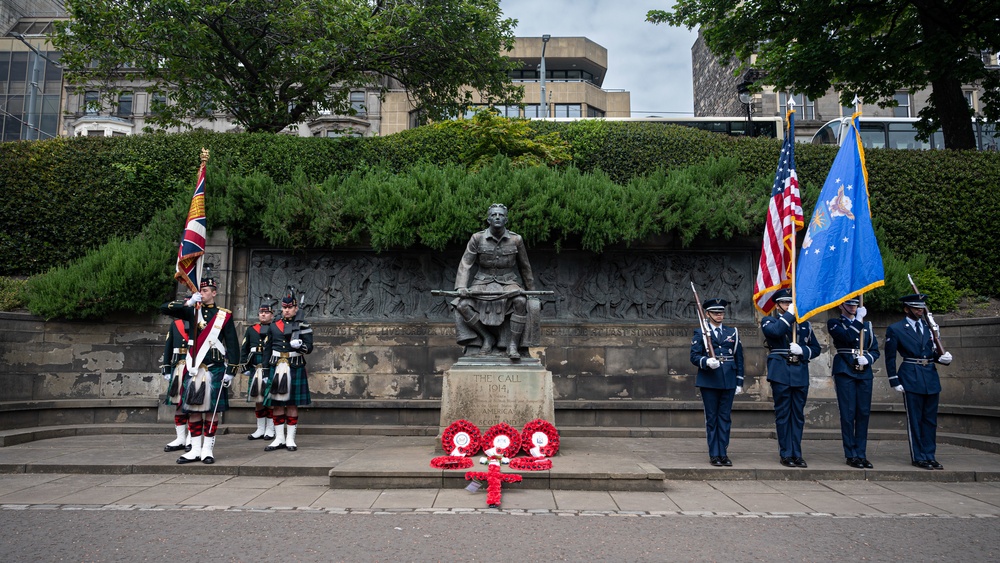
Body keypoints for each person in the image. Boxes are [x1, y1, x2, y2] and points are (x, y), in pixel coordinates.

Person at [160, 277, 239, 464]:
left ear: (214, 293)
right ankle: (194, 449)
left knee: (212, 412)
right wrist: (188, 302)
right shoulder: (191, 311)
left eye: (205, 291)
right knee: (193, 410)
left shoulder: (224, 315)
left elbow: (233, 344)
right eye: (201, 291)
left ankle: (207, 450)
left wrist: (232, 370)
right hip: (194, 367)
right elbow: (165, 308)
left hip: (216, 367)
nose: (202, 294)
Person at [452, 203, 537, 359]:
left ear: (506, 219)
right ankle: (486, 337)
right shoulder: (477, 238)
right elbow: (465, 263)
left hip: (508, 281)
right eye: (493, 215)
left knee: (520, 301)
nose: (497, 217)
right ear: (488, 219)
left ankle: (512, 345)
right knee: (462, 305)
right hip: (482, 282)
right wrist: (461, 287)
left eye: (501, 215)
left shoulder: (516, 239)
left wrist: (531, 291)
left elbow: (525, 267)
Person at [884, 293, 953, 470]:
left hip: (930, 377)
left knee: (930, 420)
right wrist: (894, 380)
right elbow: (890, 357)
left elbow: (931, 352)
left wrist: (942, 358)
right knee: (915, 419)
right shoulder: (896, 329)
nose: (919, 310)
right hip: (910, 376)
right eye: (915, 308)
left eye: (921, 307)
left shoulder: (930, 327)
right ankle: (918, 456)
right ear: (906, 309)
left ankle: (930, 455)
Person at [761, 288, 820, 468]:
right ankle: (786, 453)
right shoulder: (769, 320)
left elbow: (816, 348)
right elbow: (776, 332)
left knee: (798, 416)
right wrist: (790, 315)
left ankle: (797, 453)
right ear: (777, 304)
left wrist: (803, 351)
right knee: (783, 414)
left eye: (790, 302)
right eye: (785, 302)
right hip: (780, 372)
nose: (788, 305)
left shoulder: (804, 324)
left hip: (800, 372)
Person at [689, 298, 744, 466]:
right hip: (709, 380)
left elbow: (739, 357)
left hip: (728, 379)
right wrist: (706, 362)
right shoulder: (701, 333)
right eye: (715, 313)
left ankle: (723, 452)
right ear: (707, 314)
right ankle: (714, 453)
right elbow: (694, 356)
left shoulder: (732, 332)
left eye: (721, 313)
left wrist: (739, 381)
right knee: (712, 418)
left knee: (725, 418)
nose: (719, 316)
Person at [827, 298, 880, 469]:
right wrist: (858, 320)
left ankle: (861, 453)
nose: (853, 307)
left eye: (855, 304)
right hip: (845, 369)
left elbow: (875, 350)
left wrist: (868, 358)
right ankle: (851, 454)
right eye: (849, 304)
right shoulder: (835, 323)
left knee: (863, 413)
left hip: (864, 371)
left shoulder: (868, 326)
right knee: (848, 413)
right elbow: (848, 337)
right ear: (841, 305)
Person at [261, 290, 313, 452]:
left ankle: (290, 438)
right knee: (277, 404)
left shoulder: (304, 325)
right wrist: (264, 371)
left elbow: (309, 348)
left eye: (290, 308)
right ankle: (279, 438)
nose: (287, 310)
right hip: (276, 367)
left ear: (296, 308)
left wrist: (301, 346)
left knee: (291, 404)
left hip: (294, 366)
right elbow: (267, 349)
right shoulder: (274, 326)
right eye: (284, 308)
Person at [239, 295, 277, 441]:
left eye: (266, 312)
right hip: (256, 367)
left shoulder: (275, 328)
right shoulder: (251, 330)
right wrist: (244, 366)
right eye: (261, 312)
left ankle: (270, 429)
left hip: (270, 366)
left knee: (271, 399)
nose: (263, 314)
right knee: (258, 399)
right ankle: (260, 429)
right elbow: (244, 348)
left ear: (272, 314)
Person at [160, 317, 192, 453]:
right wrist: (166, 368)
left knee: (192, 403)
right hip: (178, 365)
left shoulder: (200, 321)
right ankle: (180, 438)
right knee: (178, 402)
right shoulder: (175, 324)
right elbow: (168, 346)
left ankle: (192, 437)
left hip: (193, 366)